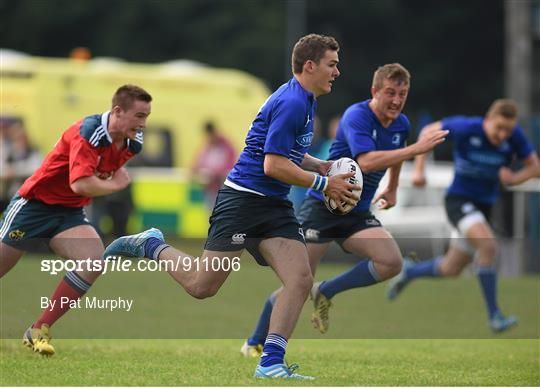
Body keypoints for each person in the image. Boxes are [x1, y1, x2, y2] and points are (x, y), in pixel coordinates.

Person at [103, 34, 358, 380]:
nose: (337, 72)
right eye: (332, 64)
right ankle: (151, 244)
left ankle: (270, 363)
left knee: (299, 279)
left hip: (273, 206)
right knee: (201, 286)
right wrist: (325, 183)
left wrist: (319, 165)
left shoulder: (305, 100)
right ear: (310, 66)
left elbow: (287, 152)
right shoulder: (293, 103)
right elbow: (272, 165)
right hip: (242, 202)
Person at [240, 63, 449, 355]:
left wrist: (391, 186)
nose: (396, 100)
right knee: (298, 282)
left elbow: (395, 155)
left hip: (357, 212)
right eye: (390, 92)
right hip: (324, 207)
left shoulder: (400, 123)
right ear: (375, 91)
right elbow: (366, 161)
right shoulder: (357, 116)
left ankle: (327, 291)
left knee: (391, 262)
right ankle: (255, 341)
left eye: (402, 94)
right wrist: (416, 149)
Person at [0, 84, 152, 355]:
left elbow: (97, 180)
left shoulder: (133, 144)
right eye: (139, 116)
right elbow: (81, 184)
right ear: (118, 111)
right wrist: (116, 185)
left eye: (146, 117)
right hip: (34, 206)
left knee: (94, 261)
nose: (143, 124)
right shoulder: (89, 132)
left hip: (69, 212)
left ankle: (39, 329)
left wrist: (111, 181)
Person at [387, 99, 540, 333]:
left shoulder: (514, 136)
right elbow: (429, 131)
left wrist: (514, 179)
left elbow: (534, 166)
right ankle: (495, 316)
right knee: (488, 247)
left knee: (451, 268)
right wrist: (419, 171)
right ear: (487, 120)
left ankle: (411, 271)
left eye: (507, 130)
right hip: (459, 202)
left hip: (483, 208)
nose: (502, 134)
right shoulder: (467, 127)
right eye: (498, 128)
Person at [192, 120, 237, 208]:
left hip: (222, 190)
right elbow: (197, 163)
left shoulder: (227, 146)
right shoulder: (207, 145)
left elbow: (230, 166)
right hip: (208, 189)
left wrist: (213, 175)